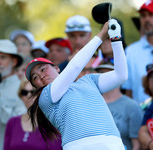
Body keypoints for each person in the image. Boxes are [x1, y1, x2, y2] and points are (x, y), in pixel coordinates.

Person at [25, 19, 128, 150]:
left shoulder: (89, 80)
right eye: (35, 78)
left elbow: (121, 76)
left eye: (43, 69)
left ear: (57, 68)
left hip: (112, 144)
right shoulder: (45, 97)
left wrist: (116, 40)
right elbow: (75, 66)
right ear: (35, 86)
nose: (41, 76)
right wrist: (101, 36)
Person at [95, 62, 143, 150]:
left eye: (109, 73)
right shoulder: (92, 104)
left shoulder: (132, 106)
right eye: (101, 74)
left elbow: (137, 145)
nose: (104, 77)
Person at [4, 77, 62, 150]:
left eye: (33, 92)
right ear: (20, 96)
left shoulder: (52, 123)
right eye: (24, 92)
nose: (29, 96)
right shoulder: (12, 122)